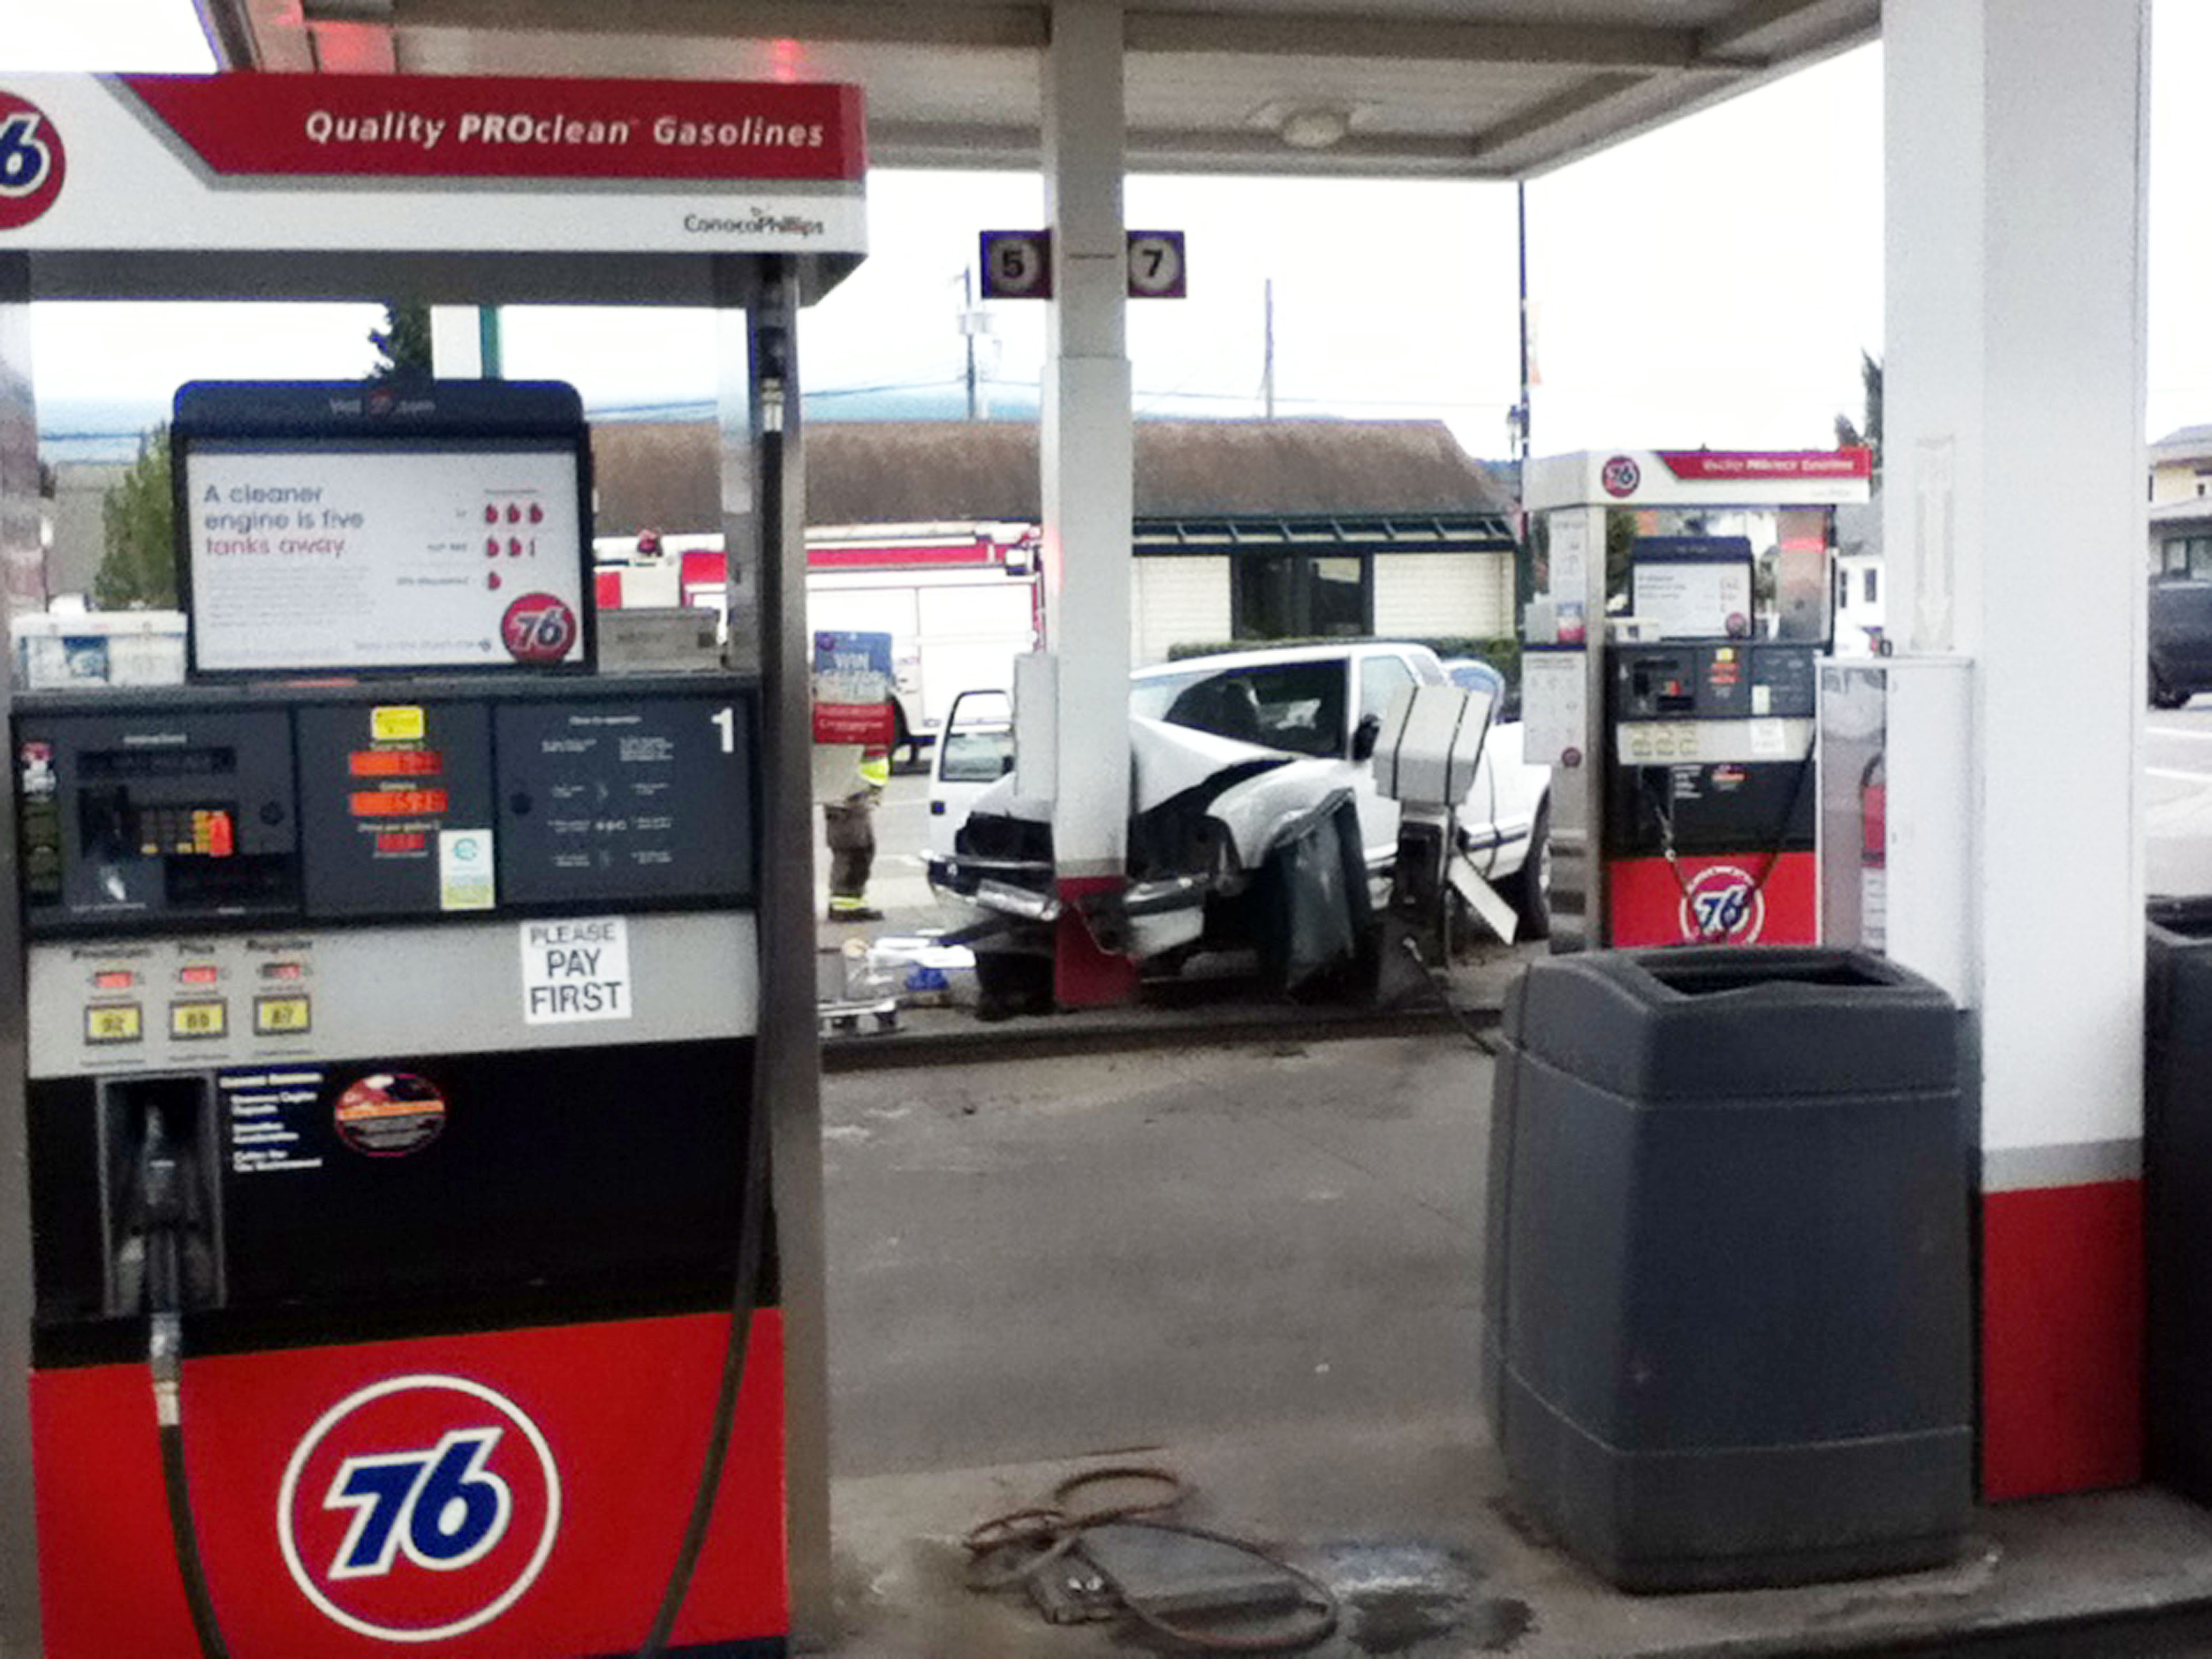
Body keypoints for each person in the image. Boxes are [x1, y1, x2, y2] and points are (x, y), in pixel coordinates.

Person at [825, 742, 890, 923]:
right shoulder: (852, 720)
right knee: (854, 850)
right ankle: (845, 906)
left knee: (862, 849)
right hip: (850, 792)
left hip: (856, 790)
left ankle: (851, 903)